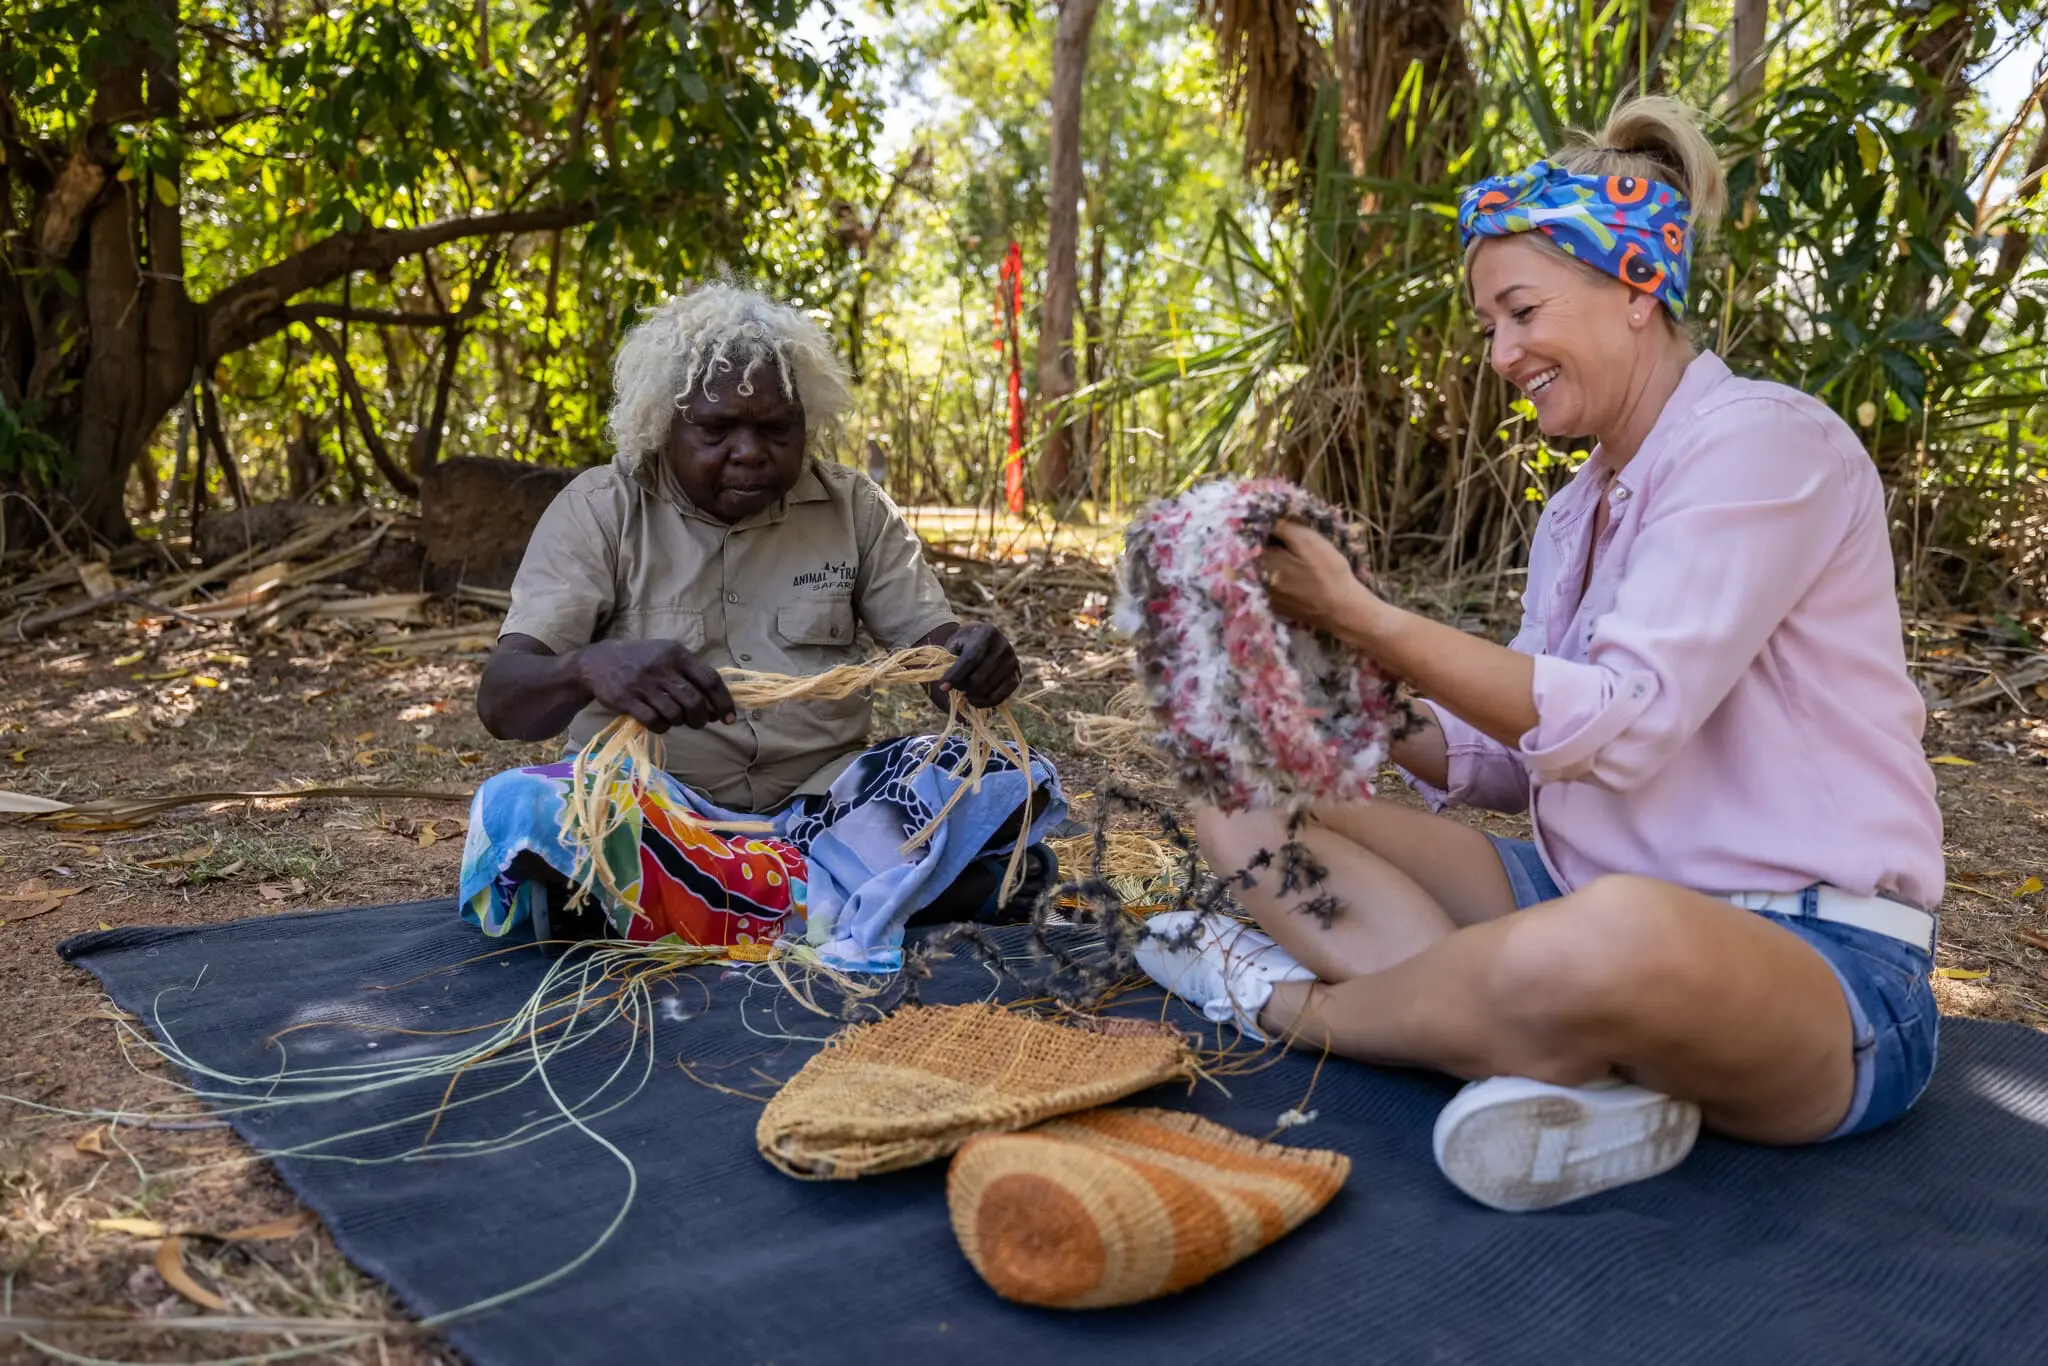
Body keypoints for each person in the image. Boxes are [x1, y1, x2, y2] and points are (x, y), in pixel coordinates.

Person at [1136, 97, 1943, 1212]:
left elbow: (1621, 717)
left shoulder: (1764, 442)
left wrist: (1371, 616)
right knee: (1243, 798)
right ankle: (1557, 1058)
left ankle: (1281, 1004)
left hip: (1819, 963)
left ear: (1633, 288)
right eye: (1486, 328)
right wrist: (1328, 661)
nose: (1500, 354)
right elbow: (1507, 755)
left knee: (1609, 936)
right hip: (1578, 892)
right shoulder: (1574, 512)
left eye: (1519, 312)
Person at [462, 282, 1064, 971]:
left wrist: (969, 660)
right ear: (665, 424)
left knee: (992, 776)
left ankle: (708, 902)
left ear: (808, 422)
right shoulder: (600, 509)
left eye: (776, 430)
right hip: (660, 815)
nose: (748, 452)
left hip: (828, 810)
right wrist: (589, 667)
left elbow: (933, 654)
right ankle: (862, 895)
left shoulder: (854, 508)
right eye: (716, 431)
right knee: (522, 809)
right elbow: (501, 700)